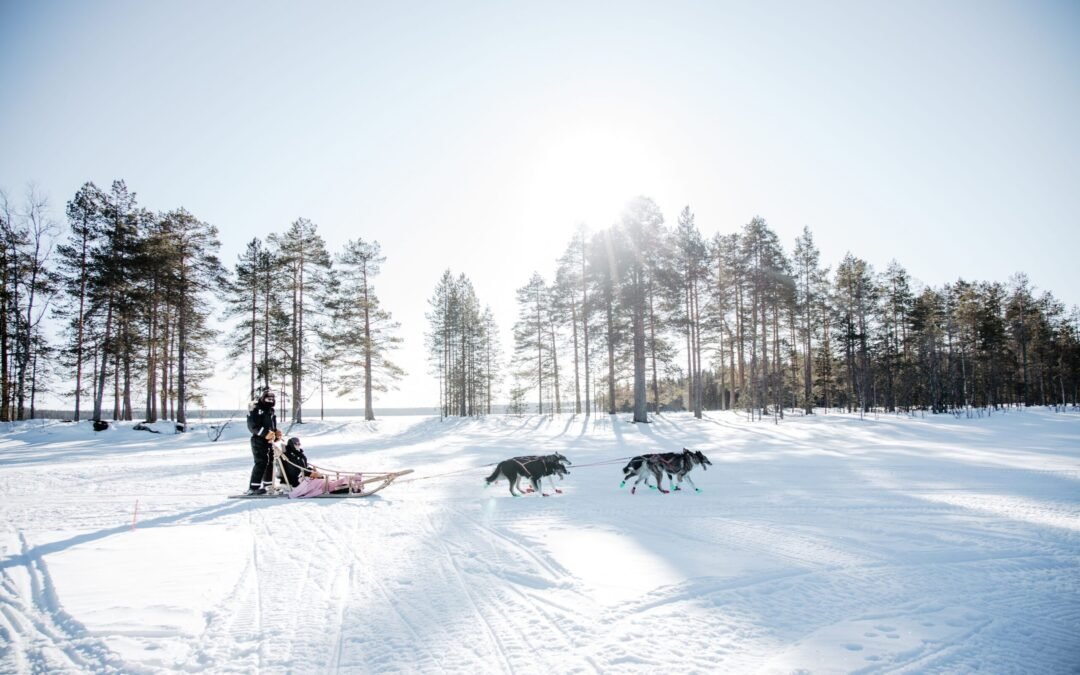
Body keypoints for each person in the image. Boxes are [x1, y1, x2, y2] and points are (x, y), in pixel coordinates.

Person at [245, 386, 280, 495]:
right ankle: (253, 487)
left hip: (270, 441)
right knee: (261, 463)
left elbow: (272, 425)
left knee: (270, 463)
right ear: (263, 398)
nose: (270, 401)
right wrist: (265, 433)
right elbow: (252, 426)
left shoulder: (271, 410)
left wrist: (276, 433)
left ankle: (268, 485)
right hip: (258, 440)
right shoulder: (255, 409)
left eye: (272, 399)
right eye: (268, 399)